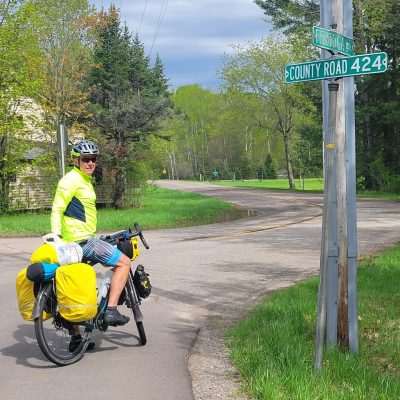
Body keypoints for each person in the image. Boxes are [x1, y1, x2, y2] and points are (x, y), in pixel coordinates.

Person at [51, 139, 132, 350]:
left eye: (93, 159)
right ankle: (111, 309)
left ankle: (77, 337)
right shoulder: (71, 180)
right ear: (76, 160)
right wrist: (56, 236)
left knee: (74, 289)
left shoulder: (84, 180)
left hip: (81, 240)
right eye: (86, 159)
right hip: (82, 243)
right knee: (124, 263)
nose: (90, 163)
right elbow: (57, 208)